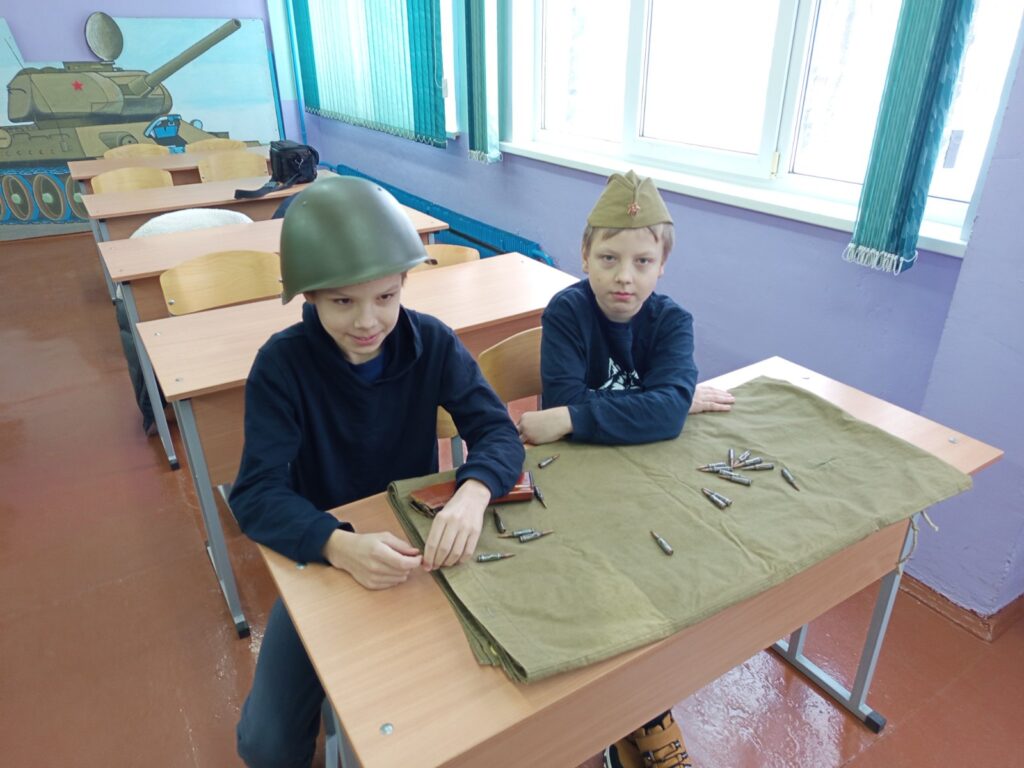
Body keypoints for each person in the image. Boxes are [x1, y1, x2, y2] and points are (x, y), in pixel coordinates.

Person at [230, 176, 524, 768]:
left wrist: (472, 493)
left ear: (404, 285)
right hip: (326, 554)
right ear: (310, 296)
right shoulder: (281, 366)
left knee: (465, 712)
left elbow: (495, 431)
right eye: (343, 302)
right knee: (266, 745)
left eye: (386, 297)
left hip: (418, 552)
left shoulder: (432, 342)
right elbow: (256, 494)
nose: (368, 321)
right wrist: (337, 546)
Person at [517, 170, 731, 767]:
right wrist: (664, 402)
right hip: (572, 481)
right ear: (585, 254)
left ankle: (637, 708)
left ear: (663, 266)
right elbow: (652, 408)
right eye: (609, 258)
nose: (624, 276)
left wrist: (577, 415)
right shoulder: (567, 311)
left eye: (642, 261)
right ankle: (634, 714)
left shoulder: (673, 321)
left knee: (666, 576)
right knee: (595, 587)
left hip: (649, 476)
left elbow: (651, 416)